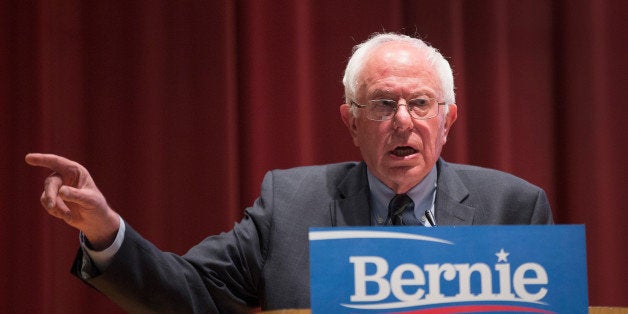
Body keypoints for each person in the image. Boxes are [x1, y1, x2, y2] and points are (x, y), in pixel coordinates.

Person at [25, 32, 553, 313]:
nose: (402, 122)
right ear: (350, 122)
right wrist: (105, 231)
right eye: (382, 105)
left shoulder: (514, 209)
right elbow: (189, 293)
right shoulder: (291, 204)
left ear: (447, 120)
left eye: (420, 103)